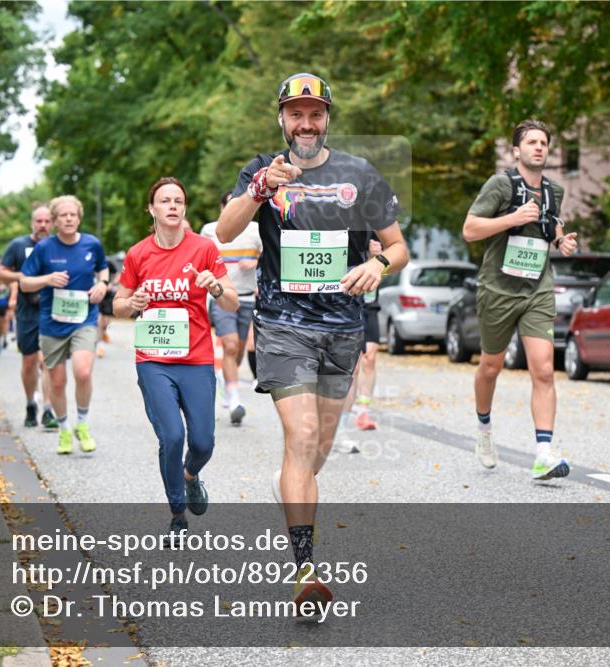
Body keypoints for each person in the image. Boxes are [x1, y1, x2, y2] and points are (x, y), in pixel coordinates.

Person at [216, 73, 409, 611]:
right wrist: (259, 188)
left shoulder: (359, 174)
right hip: (283, 325)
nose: (306, 123)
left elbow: (398, 247)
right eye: (296, 114)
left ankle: (289, 485)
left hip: (342, 328)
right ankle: (305, 570)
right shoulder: (262, 170)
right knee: (301, 436)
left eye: (315, 114)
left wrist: (377, 266)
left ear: (327, 119)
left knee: (317, 448)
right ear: (281, 118)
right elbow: (226, 232)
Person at [114, 177, 238, 541]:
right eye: (165, 200)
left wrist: (215, 286)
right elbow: (118, 304)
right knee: (171, 435)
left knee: (202, 443)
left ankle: (190, 475)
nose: (172, 206)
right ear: (151, 209)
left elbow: (232, 302)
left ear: (184, 208)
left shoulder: (204, 248)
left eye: (178, 201)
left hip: (196, 358)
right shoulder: (138, 254)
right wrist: (132, 303)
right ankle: (177, 514)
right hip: (153, 360)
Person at [461, 119, 579, 480]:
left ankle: (544, 452)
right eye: (531, 142)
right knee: (490, 367)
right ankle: (484, 429)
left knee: (543, 369)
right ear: (517, 150)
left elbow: (551, 223)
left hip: (537, 289)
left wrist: (561, 241)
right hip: (498, 289)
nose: (539, 147)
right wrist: (511, 217)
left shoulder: (554, 190)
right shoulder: (501, 185)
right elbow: (469, 229)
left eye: (543, 142)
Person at [20, 196, 109, 454]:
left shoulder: (92, 244)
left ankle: (82, 423)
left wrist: (102, 285)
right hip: (52, 324)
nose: (69, 219)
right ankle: (64, 430)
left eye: (73, 215)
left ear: (79, 218)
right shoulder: (44, 248)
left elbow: (103, 269)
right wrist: (47, 279)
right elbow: (24, 282)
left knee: (83, 372)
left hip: (84, 319)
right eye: (63, 215)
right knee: (57, 383)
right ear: (55, 220)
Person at [200, 189, 262, 425]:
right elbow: (201, 260)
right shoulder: (210, 231)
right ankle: (235, 400)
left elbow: (273, 257)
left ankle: (225, 381)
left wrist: (254, 262)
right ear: (222, 208)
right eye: (228, 205)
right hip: (221, 296)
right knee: (230, 344)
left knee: (237, 351)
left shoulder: (256, 230)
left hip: (247, 298)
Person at [0, 205, 58, 429]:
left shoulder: (58, 245)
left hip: (52, 309)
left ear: (52, 223)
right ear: (32, 223)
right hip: (27, 311)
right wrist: (22, 276)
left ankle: (48, 409)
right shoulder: (18, 245)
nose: (43, 225)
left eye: (47, 221)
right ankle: (31, 403)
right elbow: (1, 274)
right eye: (39, 221)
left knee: (47, 361)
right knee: (29, 362)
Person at [336, 237, 384, 453]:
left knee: (369, 357)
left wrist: (378, 260)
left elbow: (394, 261)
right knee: (351, 367)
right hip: (344, 300)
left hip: (369, 304)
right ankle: (333, 426)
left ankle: (361, 411)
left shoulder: (376, 229)